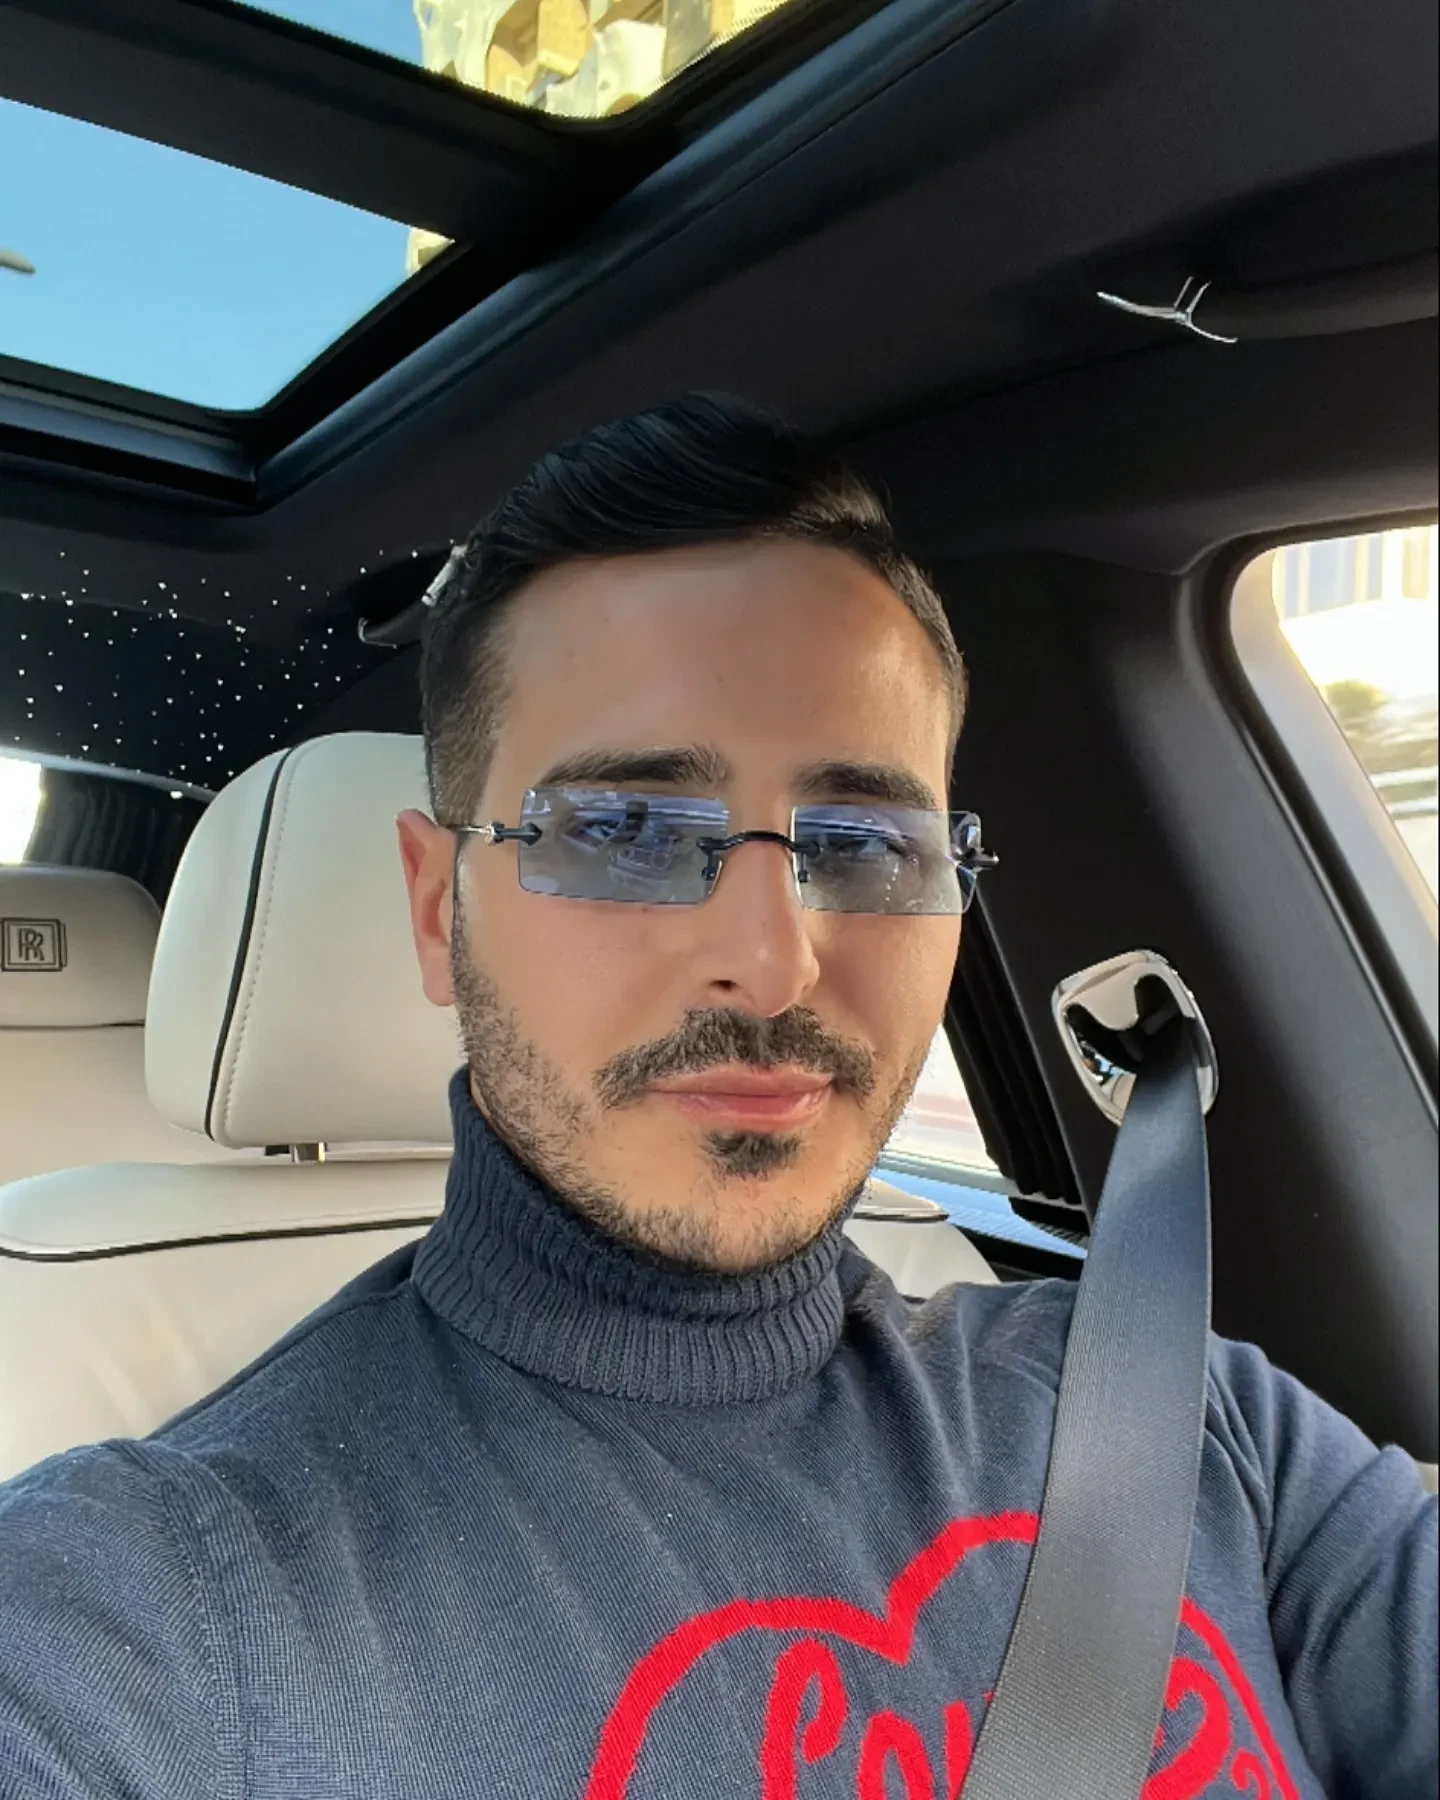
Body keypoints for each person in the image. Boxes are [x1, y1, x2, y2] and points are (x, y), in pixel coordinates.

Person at [0, 395, 1434, 1800]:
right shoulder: (155, 1602)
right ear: (439, 911)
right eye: (625, 829)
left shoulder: (1179, 1413)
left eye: (867, 844)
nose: (775, 959)